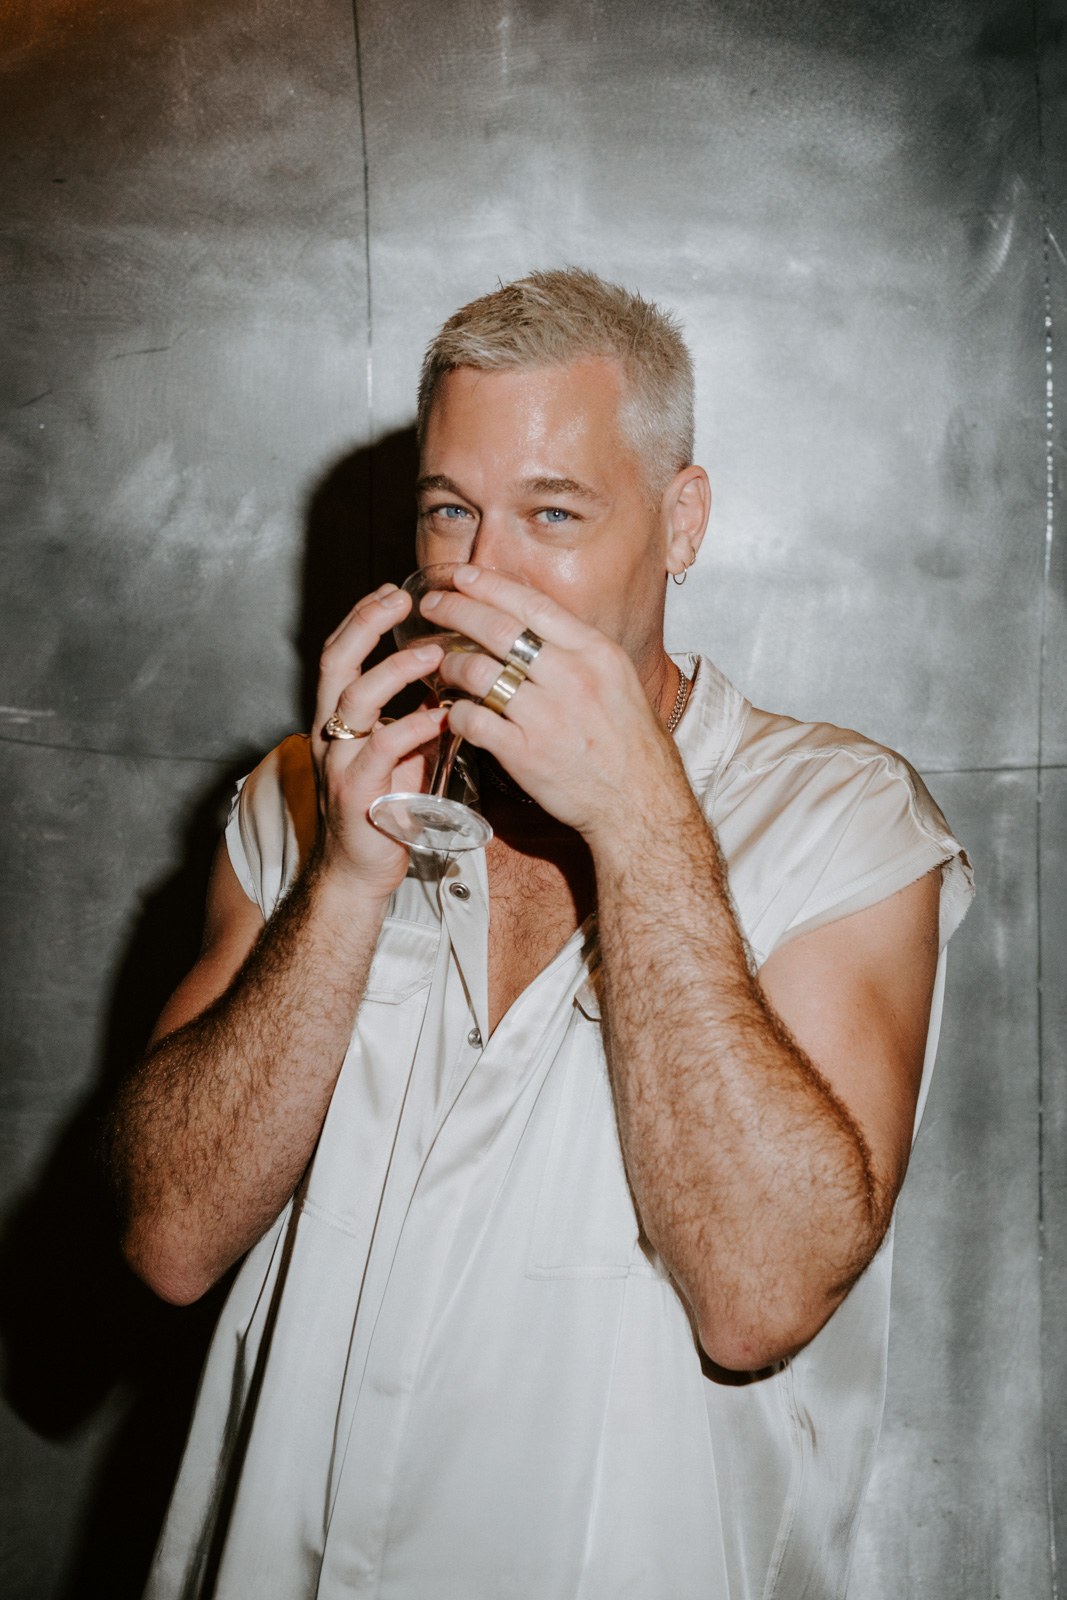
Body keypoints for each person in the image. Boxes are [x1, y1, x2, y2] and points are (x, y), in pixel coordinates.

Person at [110, 268, 973, 1600]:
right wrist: (343, 881)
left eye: (552, 514)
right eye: (449, 513)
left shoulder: (840, 817)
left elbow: (757, 1302)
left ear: (679, 523)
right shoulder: (305, 790)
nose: (479, 575)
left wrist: (637, 821)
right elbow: (167, 1240)